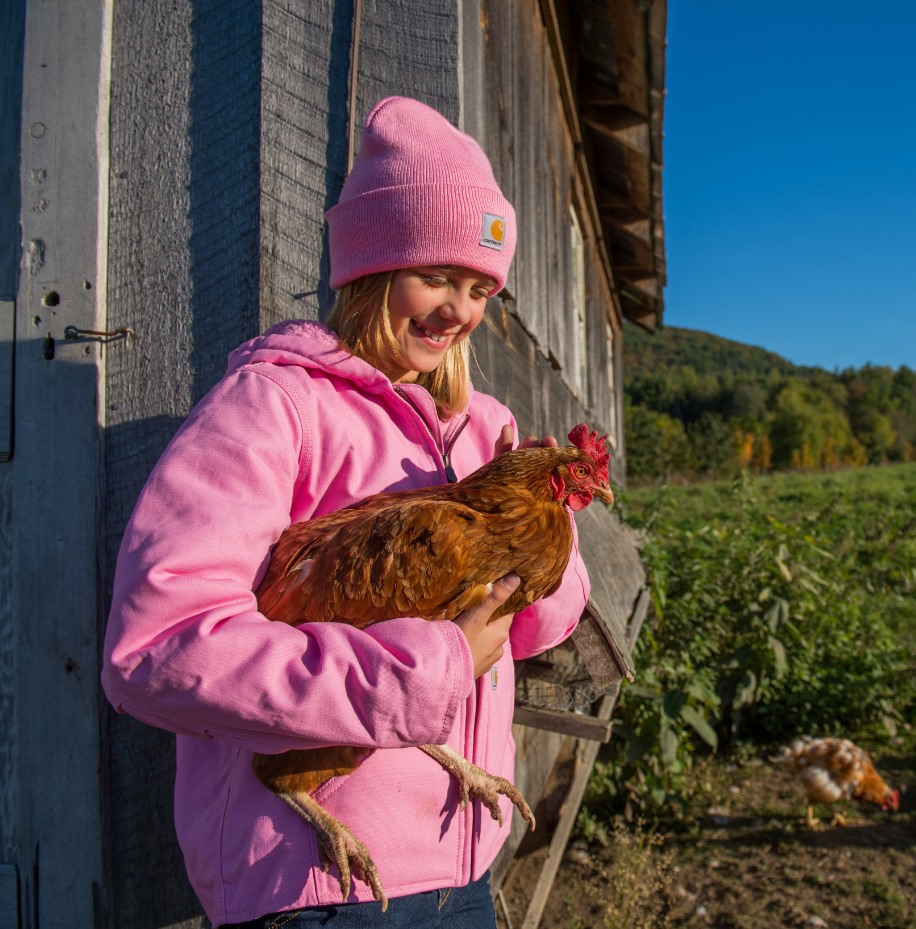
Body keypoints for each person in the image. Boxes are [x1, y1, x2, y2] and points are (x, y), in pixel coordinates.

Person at [101, 96, 589, 928]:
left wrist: (542, 531)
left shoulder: (486, 430)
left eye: (479, 288)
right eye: (436, 276)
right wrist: (417, 674)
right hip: (318, 884)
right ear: (371, 266)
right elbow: (157, 647)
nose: (459, 309)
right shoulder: (274, 407)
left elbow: (530, 632)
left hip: (464, 867)